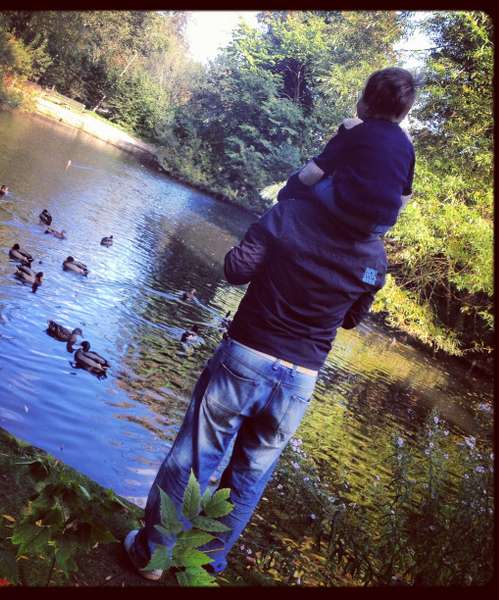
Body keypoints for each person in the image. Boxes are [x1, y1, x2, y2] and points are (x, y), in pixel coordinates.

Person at [123, 66, 417, 580]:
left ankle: (154, 555)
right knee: (249, 477)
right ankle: (207, 564)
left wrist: (271, 237)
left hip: (247, 355)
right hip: (300, 378)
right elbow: (350, 319)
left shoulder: (292, 214)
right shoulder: (374, 257)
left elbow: (234, 270)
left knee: (192, 460)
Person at [277, 67, 416, 236]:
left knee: (319, 180)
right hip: (380, 225)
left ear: (366, 103)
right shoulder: (407, 147)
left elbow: (313, 172)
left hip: (345, 208)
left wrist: (287, 191)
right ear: (403, 113)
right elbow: (405, 195)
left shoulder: (354, 131)